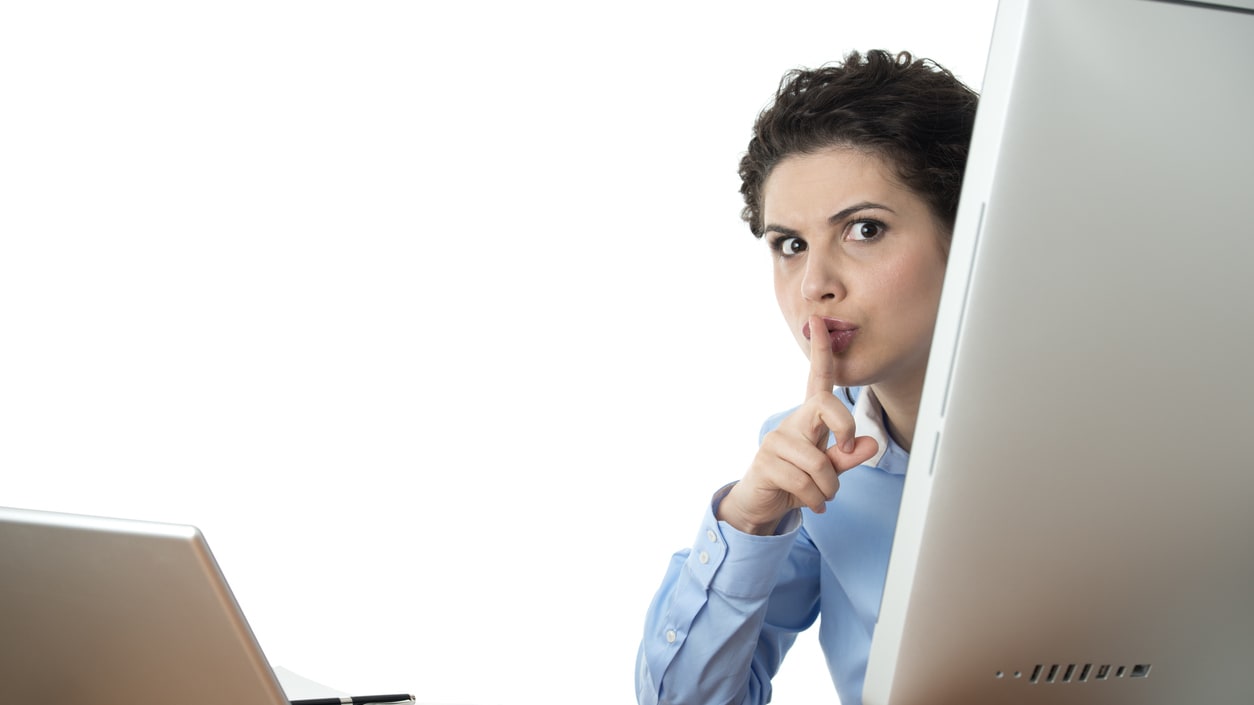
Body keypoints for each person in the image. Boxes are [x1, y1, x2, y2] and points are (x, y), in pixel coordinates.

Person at [635, 49, 979, 705]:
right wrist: (749, 518)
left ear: (966, 235)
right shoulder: (809, 463)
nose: (814, 285)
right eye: (790, 244)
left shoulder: (1124, 423)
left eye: (864, 229)